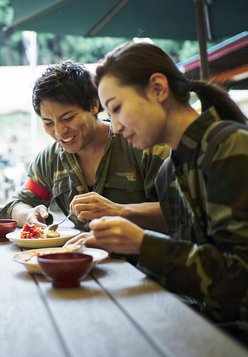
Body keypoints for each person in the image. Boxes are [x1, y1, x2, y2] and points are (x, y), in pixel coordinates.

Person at [89, 41, 248, 344]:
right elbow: (195, 275)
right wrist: (118, 247)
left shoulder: (230, 146)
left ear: (158, 89)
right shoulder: (169, 174)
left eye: (117, 108)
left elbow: (239, 278)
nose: (116, 127)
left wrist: (143, 244)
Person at [0, 61, 169, 233]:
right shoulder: (50, 160)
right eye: (48, 122)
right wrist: (29, 215)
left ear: (94, 105)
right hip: (82, 257)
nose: (59, 131)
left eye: (68, 118)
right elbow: (16, 205)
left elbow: (184, 213)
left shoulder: (140, 144)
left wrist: (118, 211)